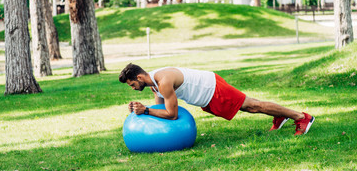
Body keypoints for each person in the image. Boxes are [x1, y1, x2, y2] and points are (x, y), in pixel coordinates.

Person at [119, 63, 315, 135]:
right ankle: (280, 116)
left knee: (252, 106)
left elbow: (171, 114)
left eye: (131, 84)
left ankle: (301, 117)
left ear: (138, 77)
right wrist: (141, 109)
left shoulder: (163, 81)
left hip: (212, 89)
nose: (133, 88)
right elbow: (159, 112)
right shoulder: (154, 85)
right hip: (207, 95)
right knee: (250, 106)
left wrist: (145, 110)